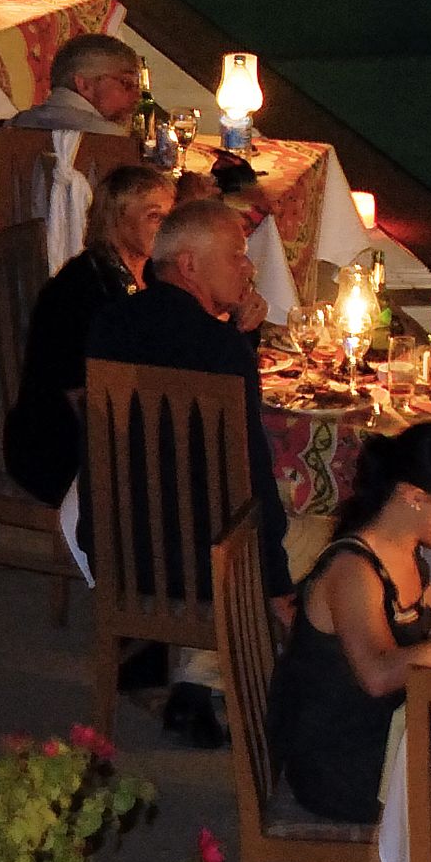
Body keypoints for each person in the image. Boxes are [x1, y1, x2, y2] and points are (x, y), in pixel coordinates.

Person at [86, 196, 287, 744]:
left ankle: (182, 675)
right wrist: (276, 582)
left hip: (116, 544)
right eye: (236, 255)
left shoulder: (110, 322)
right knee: (315, 523)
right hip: (195, 567)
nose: (248, 267)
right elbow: (251, 477)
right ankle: (206, 680)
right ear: (190, 265)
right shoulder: (220, 350)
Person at [269, 421, 431, 826]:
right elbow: (378, 674)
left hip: (383, 733)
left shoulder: (402, 549)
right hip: (343, 762)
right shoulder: (354, 569)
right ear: (414, 497)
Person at [1, 161, 172, 515]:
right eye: (155, 216)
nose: (168, 227)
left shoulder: (150, 275)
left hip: (117, 424)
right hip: (61, 446)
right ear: (117, 218)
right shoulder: (78, 292)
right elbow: (81, 398)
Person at [0, 32, 140, 256]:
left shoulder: (18, 128)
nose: (136, 96)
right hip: (95, 270)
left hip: (24, 266)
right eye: (126, 84)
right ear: (84, 85)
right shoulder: (114, 141)